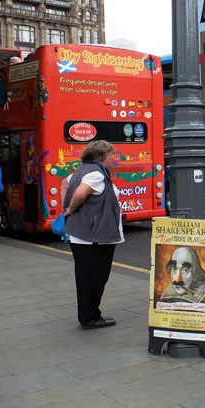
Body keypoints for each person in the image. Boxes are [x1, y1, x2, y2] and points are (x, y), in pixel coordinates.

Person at [60, 140, 123, 330]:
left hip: (80, 234)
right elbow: (80, 193)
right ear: (102, 156)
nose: (114, 157)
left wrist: (66, 208)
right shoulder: (96, 174)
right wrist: (70, 209)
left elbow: (64, 183)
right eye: (112, 154)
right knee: (97, 275)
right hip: (95, 235)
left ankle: (88, 315)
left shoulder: (82, 170)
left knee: (86, 275)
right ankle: (90, 317)